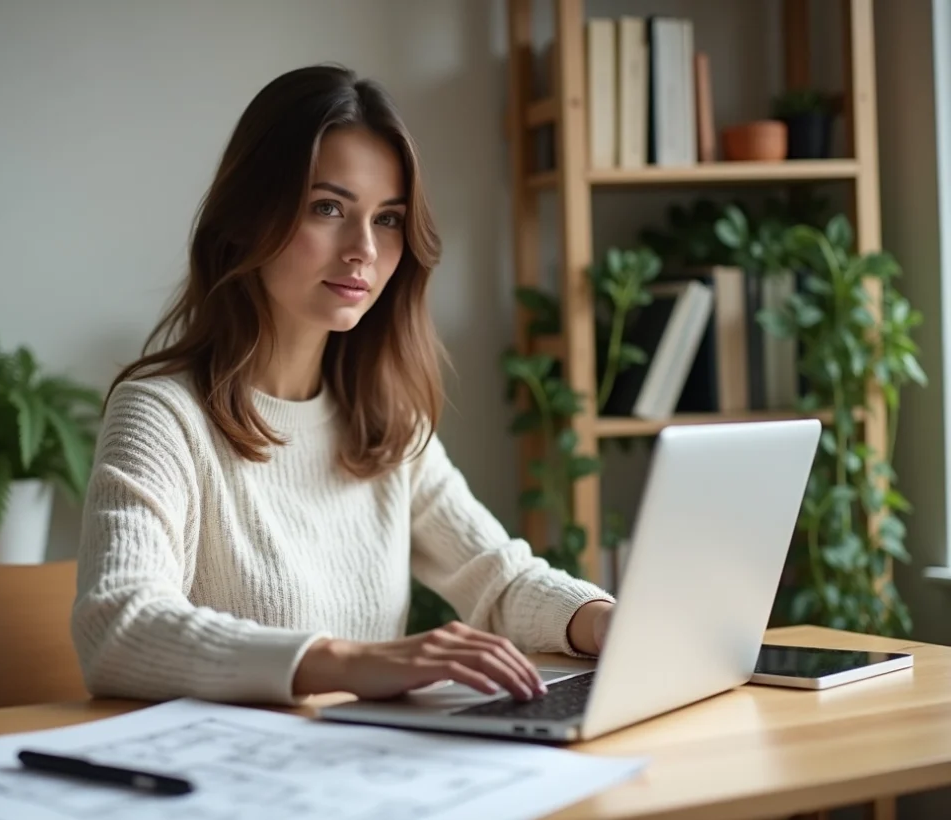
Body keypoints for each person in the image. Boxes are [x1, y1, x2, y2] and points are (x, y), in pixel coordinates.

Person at [70, 63, 615, 708]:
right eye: (328, 208)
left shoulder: (386, 421)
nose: (364, 249)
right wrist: (349, 662)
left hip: (365, 772)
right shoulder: (163, 416)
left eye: (387, 218)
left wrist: (613, 622)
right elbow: (117, 626)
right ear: (248, 219)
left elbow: (499, 579)